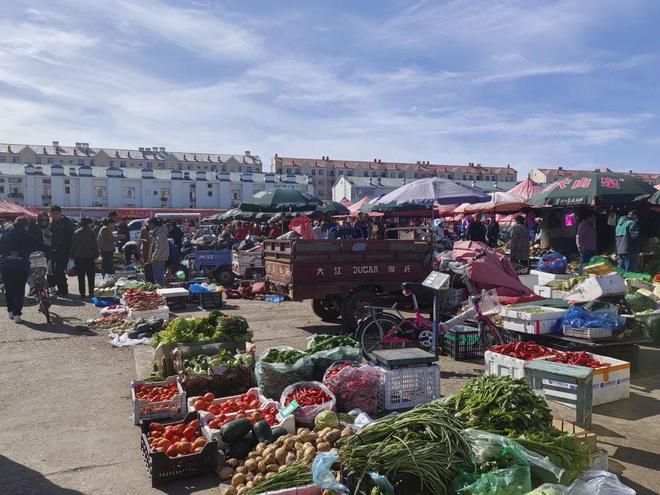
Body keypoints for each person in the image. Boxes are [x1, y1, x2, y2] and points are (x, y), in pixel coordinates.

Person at [0, 216, 50, 322]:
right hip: (21, 267)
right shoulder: (27, 235)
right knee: (19, 289)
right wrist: (50, 250)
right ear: (26, 225)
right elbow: (40, 246)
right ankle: (17, 314)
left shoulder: (5, 235)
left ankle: (10, 311)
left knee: (9, 289)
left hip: (6, 266)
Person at [49, 205, 75, 296]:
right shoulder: (51, 223)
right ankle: (60, 289)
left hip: (64, 250)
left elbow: (72, 237)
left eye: (56, 213)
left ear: (60, 213)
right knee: (55, 271)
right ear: (50, 214)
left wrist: (71, 251)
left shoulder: (66, 223)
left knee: (59, 270)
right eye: (53, 214)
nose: (55, 215)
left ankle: (63, 289)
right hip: (53, 251)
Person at [71, 217, 99, 299]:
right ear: (88, 223)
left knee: (81, 276)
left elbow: (73, 245)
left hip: (79, 257)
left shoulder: (76, 233)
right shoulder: (92, 232)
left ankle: (82, 293)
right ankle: (91, 293)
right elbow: (95, 245)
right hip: (90, 257)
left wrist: (72, 255)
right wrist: (96, 254)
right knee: (91, 276)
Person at [147, 217, 170, 286]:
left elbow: (160, 247)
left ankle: (161, 289)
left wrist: (154, 257)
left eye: (149, 224)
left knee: (158, 276)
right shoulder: (157, 232)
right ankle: (159, 289)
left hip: (159, 257)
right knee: (157, 276)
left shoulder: (160, 233)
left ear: (153, 224)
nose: (148, 226)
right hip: (159, 257)